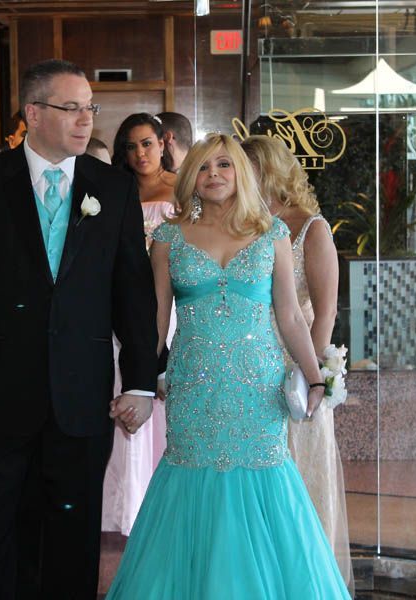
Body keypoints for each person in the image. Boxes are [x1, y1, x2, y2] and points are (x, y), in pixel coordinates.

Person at [0, 59, 159, 599]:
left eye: (89, 108)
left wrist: (141, 382)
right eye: (71, 108)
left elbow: (133, 293)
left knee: (73, 538)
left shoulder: (114, 188)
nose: (85, 120)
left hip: (80, 399)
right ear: (33, 113)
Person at [106, 134, 350, 599]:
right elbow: (155, 322)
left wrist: (314, 376)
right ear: (190, 178)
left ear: (241, 172)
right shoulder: (167, 239)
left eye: (224, 165)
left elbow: (292, 315)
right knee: (191, 478)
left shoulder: (272, 234)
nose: (214, 174)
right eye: (203, 167)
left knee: (265, 482)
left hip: (259, 387)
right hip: (194, 384)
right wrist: (139, 382)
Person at [242, 135, 353, 593]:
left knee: (300, 479)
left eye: (245, 168)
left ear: (270, 170)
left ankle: (306, 580)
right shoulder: (245, 224)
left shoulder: (311, 228)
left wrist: (308, 375)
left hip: (296, 361)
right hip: (249, 362)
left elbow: (324, 310)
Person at [101, 114, 177, 536]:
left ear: (163, 143)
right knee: (123, 382)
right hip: (126, 303)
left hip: (171, 305)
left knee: (163, 391)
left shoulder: (182, 190)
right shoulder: (117, 190)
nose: (140, 154)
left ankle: (160, 500)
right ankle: (123, 504)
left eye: (146, 144)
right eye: (131, 147)